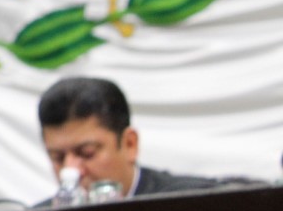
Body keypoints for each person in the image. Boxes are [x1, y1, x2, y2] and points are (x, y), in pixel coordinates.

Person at [37, 76, 232, 201]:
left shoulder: (190, 203)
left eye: (87, 153)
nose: (70, 171)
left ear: (130, 144)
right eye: (57, 158)